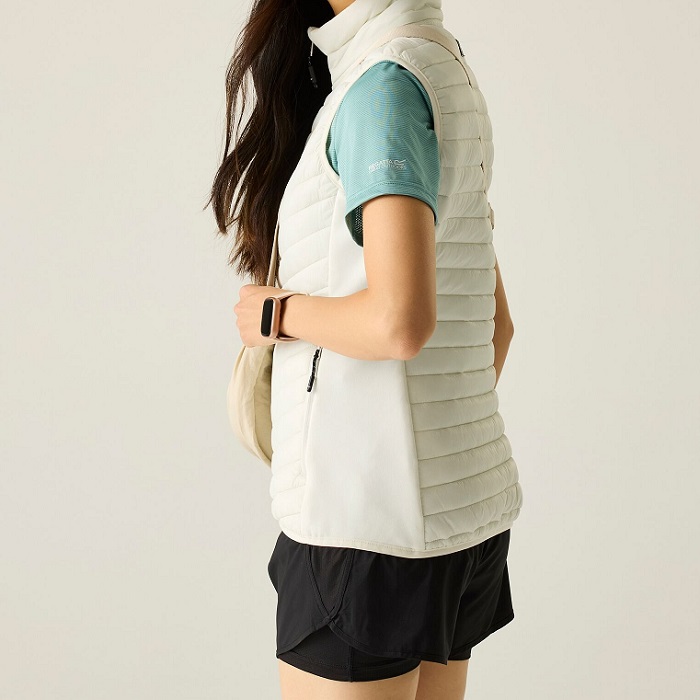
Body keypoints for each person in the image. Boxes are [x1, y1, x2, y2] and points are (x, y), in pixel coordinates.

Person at [208, 0, 523, 697]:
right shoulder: (440, 67)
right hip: (460, 522)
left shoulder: (382, 85)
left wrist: (276, 313)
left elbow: (399, 322)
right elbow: (493, 326)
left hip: (361, 534)